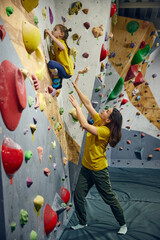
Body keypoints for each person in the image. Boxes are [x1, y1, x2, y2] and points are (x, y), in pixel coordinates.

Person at [68, 74, 127, 235]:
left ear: (108, 120)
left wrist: (77, 109)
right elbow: (87, 103)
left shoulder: (104, 131)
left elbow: (84, 124)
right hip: (87, 167)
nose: (103, 110)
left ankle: (123, 223)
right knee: (78, 194)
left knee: (109, 198)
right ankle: (82, 222)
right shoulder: (99, 120)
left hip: (99, 170)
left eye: (107, 111)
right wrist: (77, 88)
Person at [44, 24, 74, 89]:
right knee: (52, 63)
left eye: (55, 30)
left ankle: (56, 77)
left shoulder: (61, 42)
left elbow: (62, 47)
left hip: (67, 72)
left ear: (61, 34)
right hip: (64, 69)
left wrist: (50, 34)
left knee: (51, 63)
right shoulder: (57, 42)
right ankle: (59, 84)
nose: (52, 31)